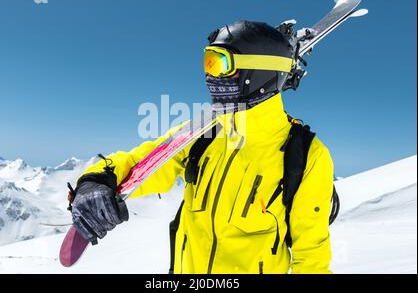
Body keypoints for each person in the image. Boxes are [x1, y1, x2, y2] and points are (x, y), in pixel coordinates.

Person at [70, 21, 334, 274]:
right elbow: (145, 161)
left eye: (220, 64)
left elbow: (311, 256)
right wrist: (97, 180)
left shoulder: (305, 155)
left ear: (257, 73)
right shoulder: (203, 131)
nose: (209, 75)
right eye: (207, 61)